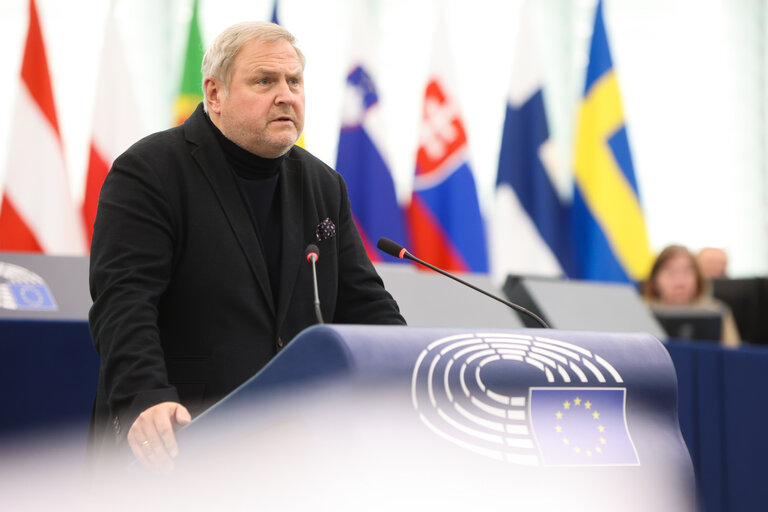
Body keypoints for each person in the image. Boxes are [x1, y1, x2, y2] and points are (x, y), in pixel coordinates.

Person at [88, 21, 405, 473]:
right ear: (214, 94)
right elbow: (124, 302)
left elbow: (365, 304)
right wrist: (145, 396)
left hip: (291, 454)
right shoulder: (150, 171)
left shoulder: (322, 184)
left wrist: (409, 373)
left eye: (294, 81)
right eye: (264, 81)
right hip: (180, 444)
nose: (286, 95)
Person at [642, 245, 739, 347]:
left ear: (697, 278)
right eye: (670, 273)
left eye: (686, 272)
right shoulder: (641, 310)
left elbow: (733, 355)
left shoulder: (716, 310)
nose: (679, 282)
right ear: (655, 280)